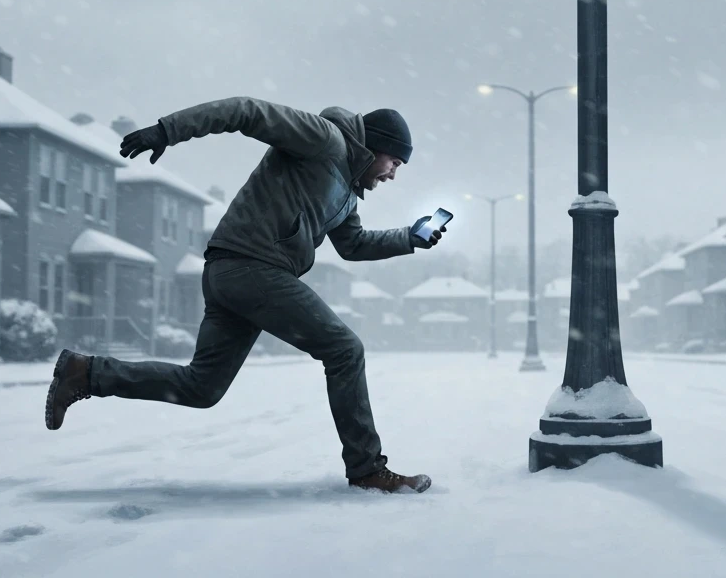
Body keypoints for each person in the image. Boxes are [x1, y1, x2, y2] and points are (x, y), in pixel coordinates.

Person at [44, 99, 444, 493]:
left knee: (201, 388)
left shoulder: (345, 194)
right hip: (251, 266)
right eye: (395, 163)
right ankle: (367, 469)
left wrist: (409, 237)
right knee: (344, 349)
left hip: (233, 274)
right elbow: (246, 112)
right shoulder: (324, 139)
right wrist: (168, 130)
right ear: (375, 145)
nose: (393, 175)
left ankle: (85, 372)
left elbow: (352, 244)